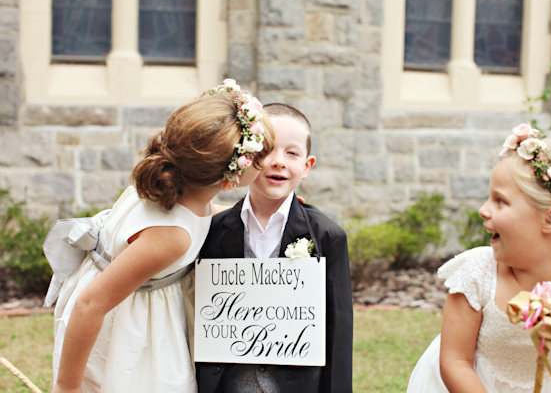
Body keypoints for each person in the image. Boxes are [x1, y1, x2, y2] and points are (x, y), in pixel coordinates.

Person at [47, 79, 273, 393]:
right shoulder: (171, 237)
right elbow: (91, 305)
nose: (267, 164)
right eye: (258, 160)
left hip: (131, 301)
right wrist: (66, 387)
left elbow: (205, 214)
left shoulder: (179, 184)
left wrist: (260, 210)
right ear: (228, 178)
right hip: (130, 326)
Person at [407, 123, 551, 393]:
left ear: (550, 219)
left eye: (500, 201)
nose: (483, 210)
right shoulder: (479, 272)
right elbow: (455, 362)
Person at [195, 103, 353, 393]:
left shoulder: (326, 236)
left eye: (292, 153)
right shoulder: (213, 230)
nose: (279, 161)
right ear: (246, 158)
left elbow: (338, 332)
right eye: (267, 151)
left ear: (307, 166)